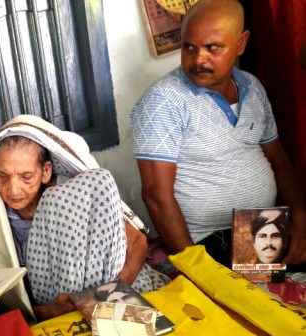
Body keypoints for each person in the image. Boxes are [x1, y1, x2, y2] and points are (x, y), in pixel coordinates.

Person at [130, 0, 306, 266]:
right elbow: (156, 196)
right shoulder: (164, 100)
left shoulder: (252, 87)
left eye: (212, 48)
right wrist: (199, 270)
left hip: (263, 229)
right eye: (189, 47)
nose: (198, 59)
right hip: (208, 241)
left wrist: (301, 220)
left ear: (241, 43)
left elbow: (278, 159)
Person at [0, 115, 169, 322]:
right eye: (2, 176)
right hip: (52, 309)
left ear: (45, 171)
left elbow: (137, 242)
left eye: (26, 177)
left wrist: (104, 295)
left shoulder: (73, 195)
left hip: (112, 291)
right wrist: (48, 311)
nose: (13, 189)